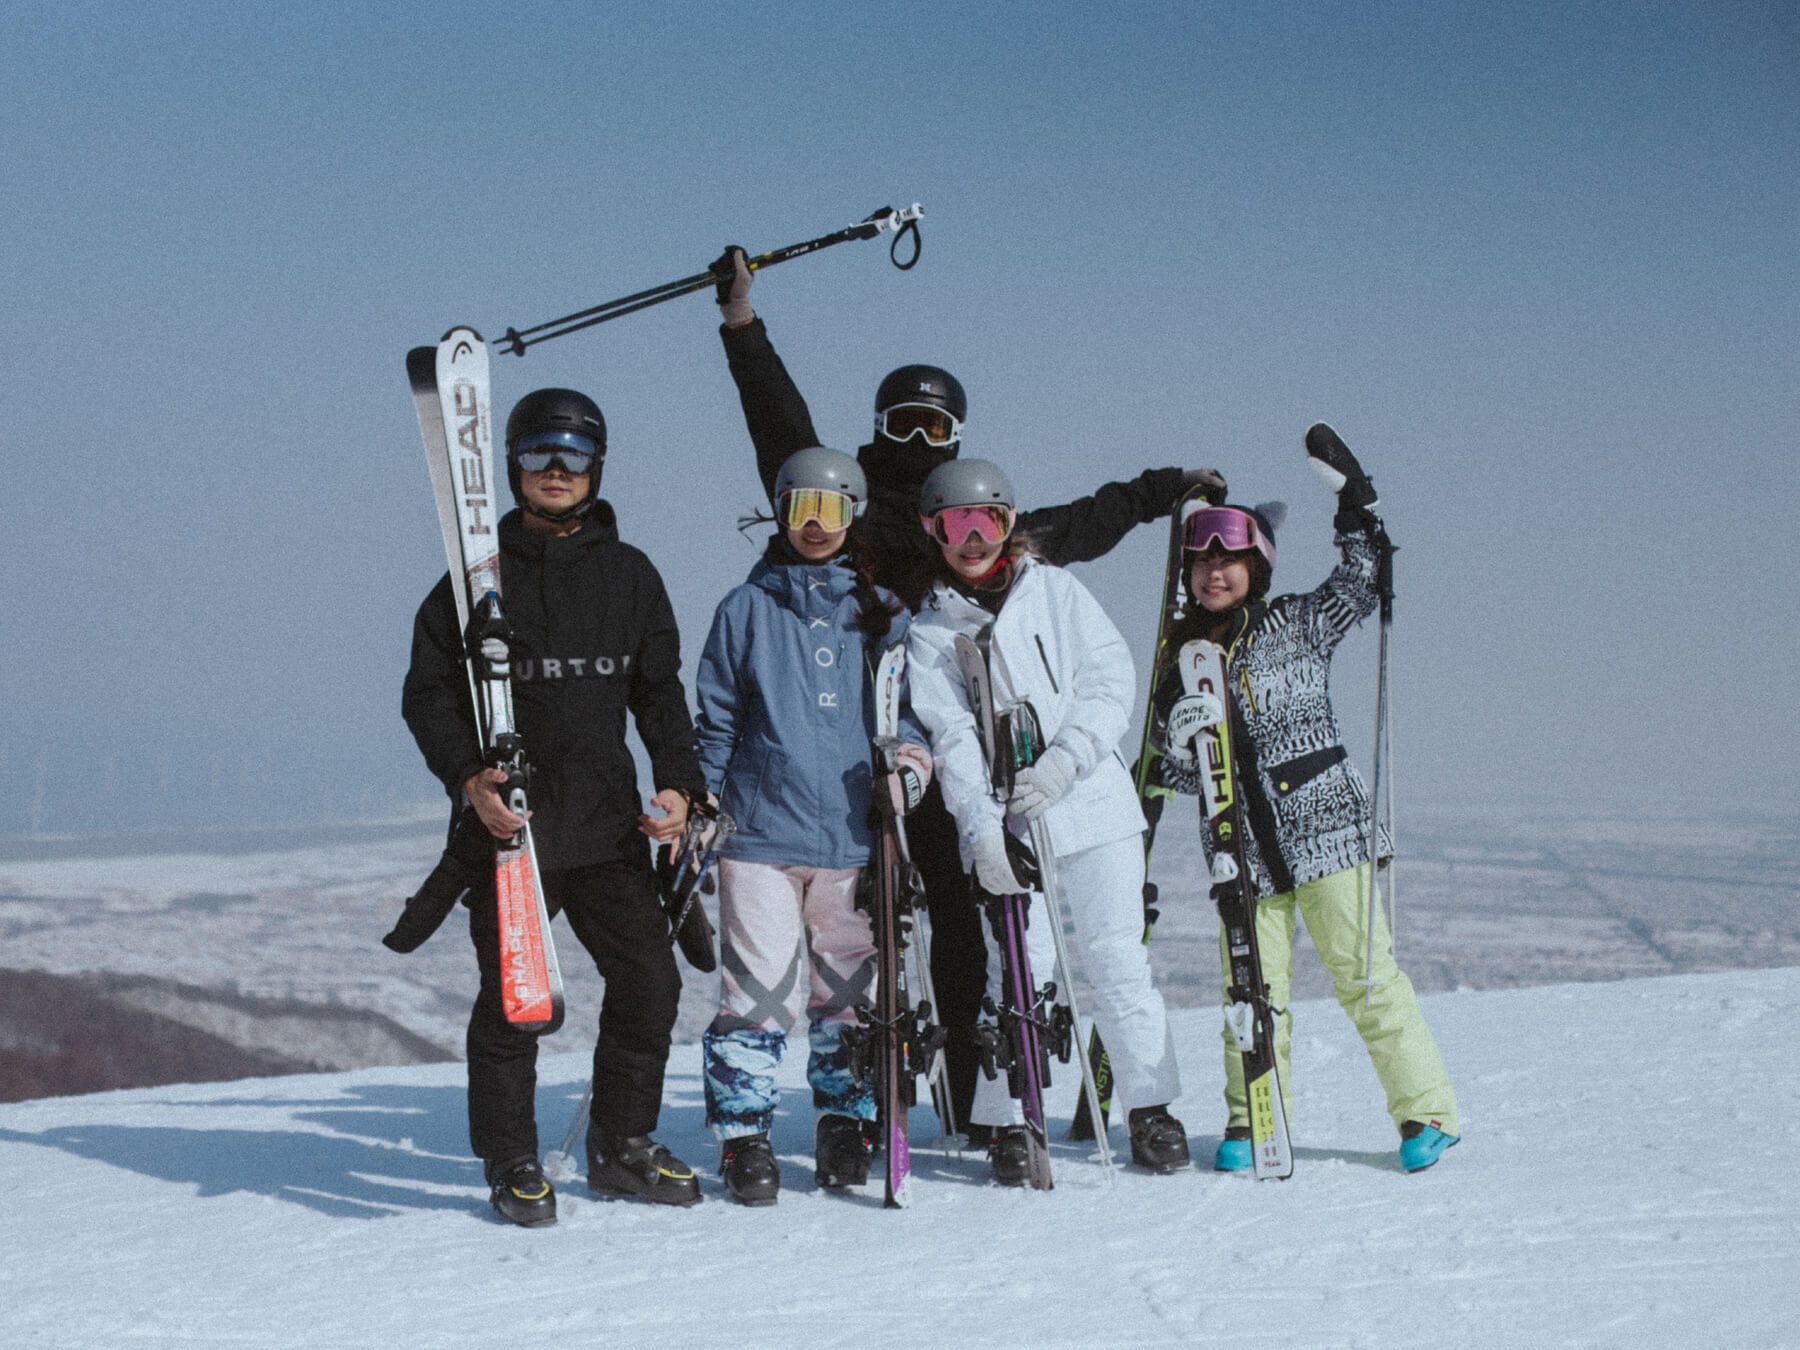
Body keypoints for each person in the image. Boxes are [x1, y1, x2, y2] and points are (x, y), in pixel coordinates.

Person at [710, 246, 1225, 1141]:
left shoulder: (980, 527)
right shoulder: (855, 512)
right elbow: (783, 438)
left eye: (932, 428)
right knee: (872, 934)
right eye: (900, 426)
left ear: (957, 439)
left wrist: (1161, 492)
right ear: (878, 428)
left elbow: (1083, 522)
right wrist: (743, 329)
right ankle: (876, 1093)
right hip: (871, 752)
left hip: (965, 763)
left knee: (963, 925)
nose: (916, 444)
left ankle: (977, 1092)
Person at [401, 387, 710, 1225]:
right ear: (510, 465)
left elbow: (659, 697)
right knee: (515, 1001)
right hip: (514, 834)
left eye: (573, 454)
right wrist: (469, 779)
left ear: (597, 465)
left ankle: (622, 1145)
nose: (556, 471)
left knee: (649, 980)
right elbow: (428, 695)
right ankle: (511, 1161)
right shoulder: (472, 583)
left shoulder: (631, 576)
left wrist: (679, 787)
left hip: (608, 829)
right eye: (539, 454)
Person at [1149, 429, 1459, 1173]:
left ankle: (1427, 1114)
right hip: (1241, 853)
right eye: (1201, 562)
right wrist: (1176, 733)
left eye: (1229, 562)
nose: (1214, 574)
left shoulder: (1298, 623)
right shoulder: (1182, 657)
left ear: (1257, 567)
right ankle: (1252, 1117)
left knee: (1366, 979)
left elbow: (1360, 580)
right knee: (1250, 996)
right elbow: (1181, 776)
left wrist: (1355, 504)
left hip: (1327, 833)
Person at [904, 459, 1188, 1180]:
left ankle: (1150, 1110)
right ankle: (1009, 1117)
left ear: (1009, 524)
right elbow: (953, 739)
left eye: (988, 521)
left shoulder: (1057, 592)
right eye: (955, 525)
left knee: (1117, 957)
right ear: (932, 533)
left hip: (1091, 800)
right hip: (1011, 821)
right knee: (1015, 969)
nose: (973, 540)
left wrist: (1067, 760)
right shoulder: (931, 633)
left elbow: (1109, 679)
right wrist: (980, 830)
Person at [691, 446, 933, 1205]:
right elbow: (718, 721)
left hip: (856, 838)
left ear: (852, 515)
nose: (818, 525)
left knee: (848, 993)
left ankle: (844, 1121)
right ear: (781, 511)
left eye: (833, 510)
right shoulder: (746, 609)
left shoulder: (885, 615)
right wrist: (702, 808)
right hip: (760, 835)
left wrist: (912, 775)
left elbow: (915, 717)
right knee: (760, 995)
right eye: (803, 509)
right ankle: (745, 1137)